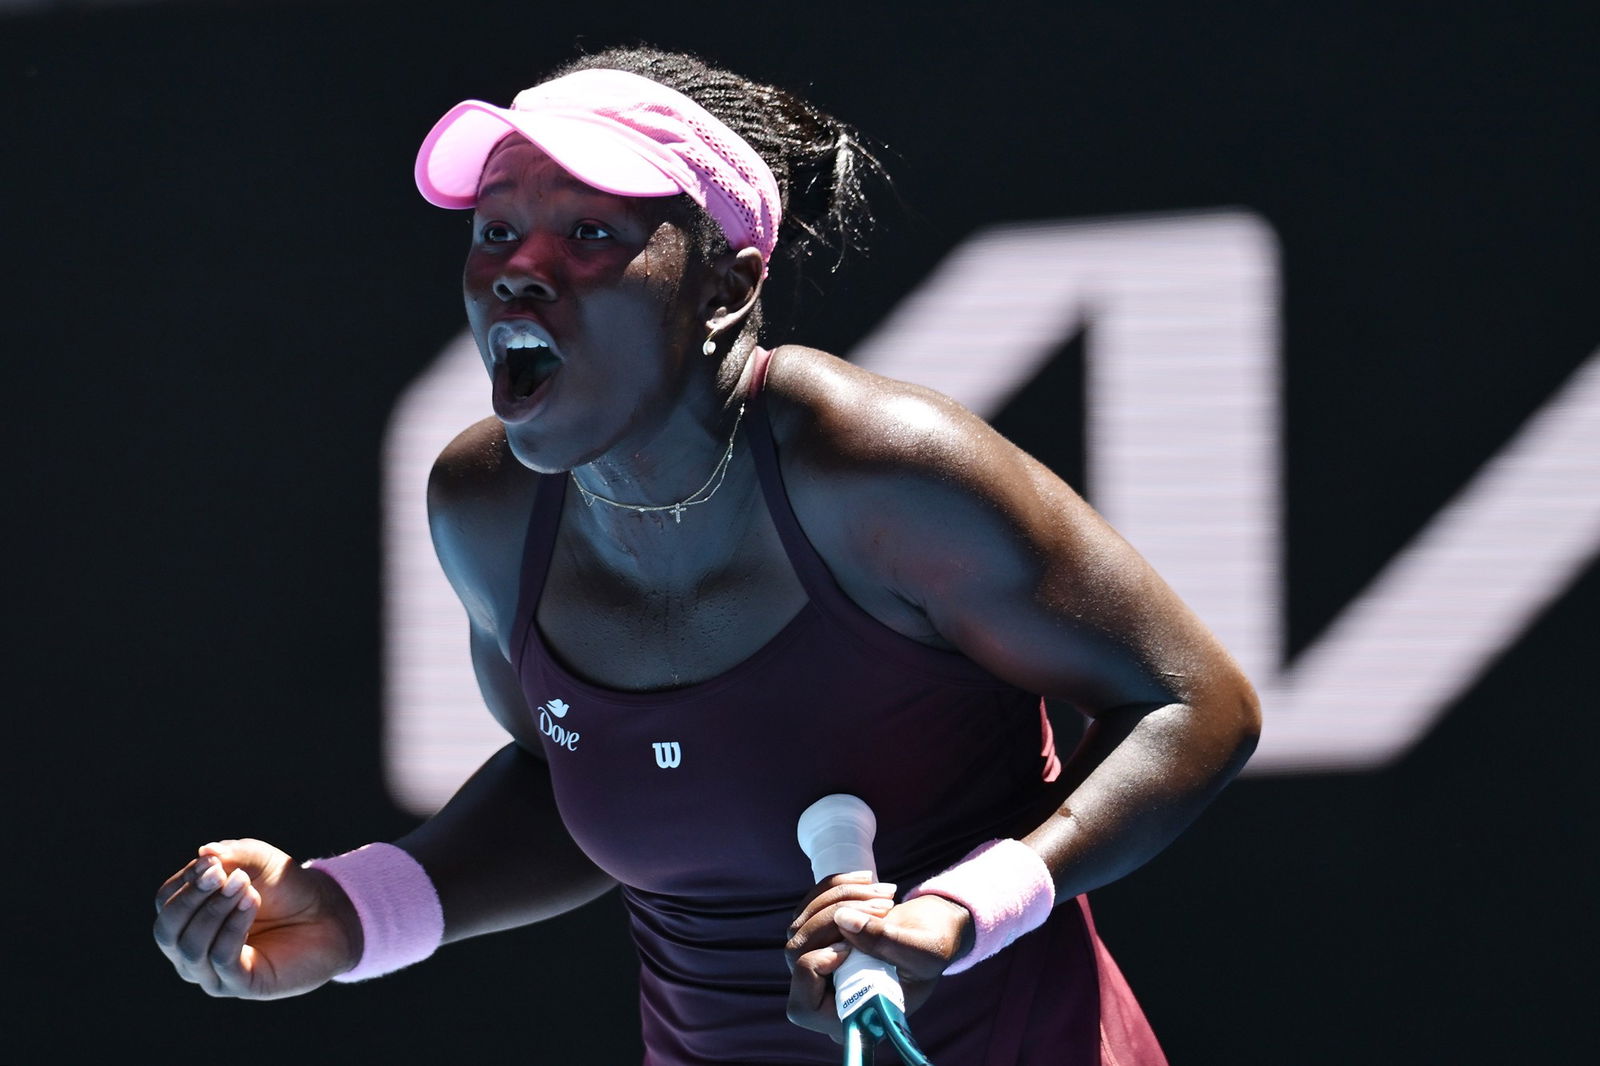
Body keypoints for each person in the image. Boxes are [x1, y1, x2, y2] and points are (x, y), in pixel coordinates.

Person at [152, 46, 1259, 1065]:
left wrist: (970, 908)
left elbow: (1192, 703)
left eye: (590, 234)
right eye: (495, 231)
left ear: (725, 288)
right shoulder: (485, 507)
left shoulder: (876, 470)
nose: (518, 269)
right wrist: (353, 911)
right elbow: (576, 779)